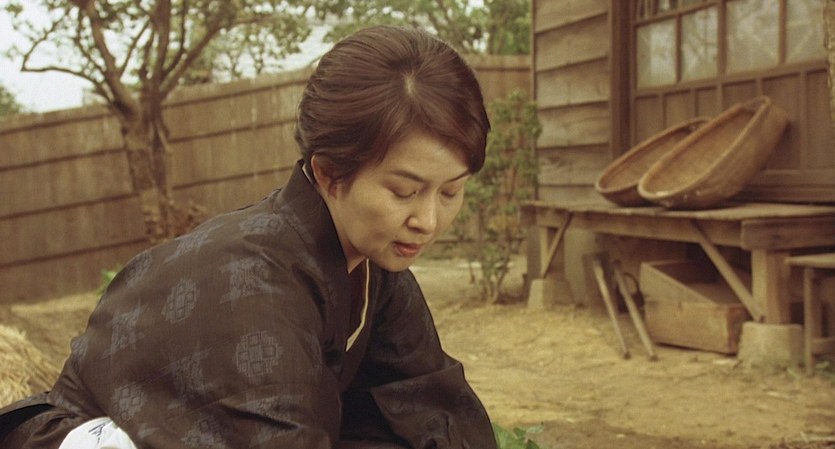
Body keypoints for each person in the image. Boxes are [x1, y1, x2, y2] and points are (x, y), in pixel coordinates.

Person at [0, 25, 497, 449]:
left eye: (450, 192)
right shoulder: (252, 285)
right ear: (329, 172)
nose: (428, 220)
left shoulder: (374, 265)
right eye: (405, 191)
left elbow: (435, 405)